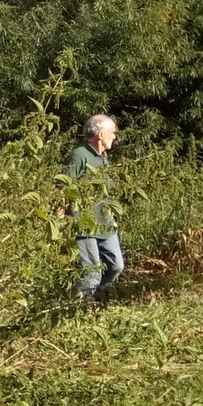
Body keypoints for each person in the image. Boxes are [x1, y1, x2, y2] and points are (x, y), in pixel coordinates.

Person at [65, 113, 123, 298]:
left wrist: (112, 217)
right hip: (84, 226)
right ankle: (77, 310)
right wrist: (61, 223)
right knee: (90, 275)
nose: (114, 136)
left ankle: (92, 299)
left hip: (105, 224)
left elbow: (105, 192)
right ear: (100, 134)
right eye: (113, 132)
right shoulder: (79, 155)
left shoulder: (103, 157)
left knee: (116, 266)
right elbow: (61, 190)